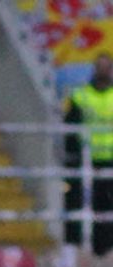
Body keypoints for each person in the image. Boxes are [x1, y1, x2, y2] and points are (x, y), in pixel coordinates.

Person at [64, 51, 113, 254]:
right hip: (85, 162)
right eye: (98, 66)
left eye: (106, 66)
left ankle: (106, 251)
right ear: (94, 70)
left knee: (106, 211)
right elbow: (70, 128)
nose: (102, 70)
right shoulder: (80, 95)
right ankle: (76, 252)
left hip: (110, 162)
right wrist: (72, 156)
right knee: (77, 208)